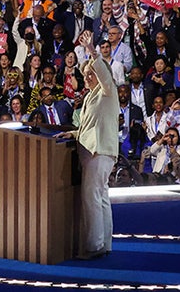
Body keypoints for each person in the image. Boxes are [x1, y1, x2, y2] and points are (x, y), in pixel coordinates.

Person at [60, 32, 118, 259]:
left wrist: (93, 51)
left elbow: (104, 74)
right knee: (100, 197)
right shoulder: (91, 97)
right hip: (94, 152)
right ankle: (104, 244)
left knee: (92, 198)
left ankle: (93, 246)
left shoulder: (108, 91)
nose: (85, 79)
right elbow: (89, 126)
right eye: (84, 75)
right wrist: (73, 132)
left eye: (89, 74)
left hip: (99, 152)